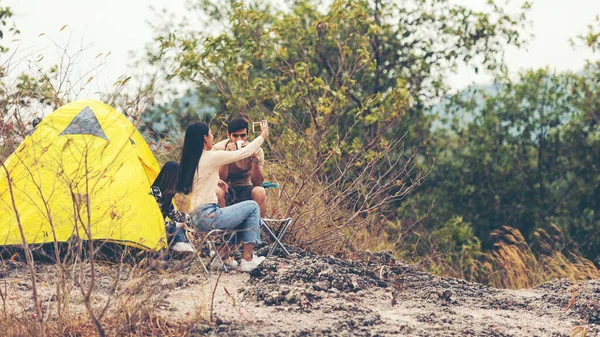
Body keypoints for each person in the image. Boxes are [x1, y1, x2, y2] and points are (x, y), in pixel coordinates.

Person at [177, 120, 269, 272]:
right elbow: (244, 153)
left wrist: (217, 181)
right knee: (252, 207)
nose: (213, 136)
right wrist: (263, 135)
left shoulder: (190, 160)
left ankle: (221, 257)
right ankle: (247, 259)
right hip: (209, 215)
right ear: (205, 138)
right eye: (211, 133)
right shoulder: (211, 156)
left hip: (196, 217)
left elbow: (200, 180)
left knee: (242, 219)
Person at [212, 118, 268, 217]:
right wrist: (226, 156)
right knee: (217, 191)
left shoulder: (257, 150)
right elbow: (220, 179)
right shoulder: (218, 149)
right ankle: (225, 227)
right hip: (226, 189)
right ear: (228, 135)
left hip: (245, 187)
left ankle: (258, 228)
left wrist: (254, 159)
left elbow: (257, 182)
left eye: (243, 135)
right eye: (235, 136)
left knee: (260, 191)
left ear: (248, 134)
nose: (239, 139)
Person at [151, 161, 195, 253]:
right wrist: (177, 225)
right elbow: (155, 222)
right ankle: (181, 245)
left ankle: (182, 246)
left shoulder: (166, 197)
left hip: (161, 231)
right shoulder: (155, 193)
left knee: (180, 225)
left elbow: (177, 216)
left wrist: (192, 220)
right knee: (173, 227)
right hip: (152, 230)